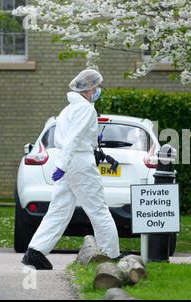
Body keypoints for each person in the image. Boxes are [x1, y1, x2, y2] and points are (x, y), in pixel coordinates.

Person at [22, 69, 120, 270]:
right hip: (79, 163)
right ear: (89, 88)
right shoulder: (86, 109)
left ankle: (35, 251)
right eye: (97, 86)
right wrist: (63, 165)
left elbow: (70, 138)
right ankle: (111, 255)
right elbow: (74, 139)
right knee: (98, 209)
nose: (98, 90)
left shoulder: (67, 110)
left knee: (59, 209)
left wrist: (66, 162)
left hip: (69, 162)